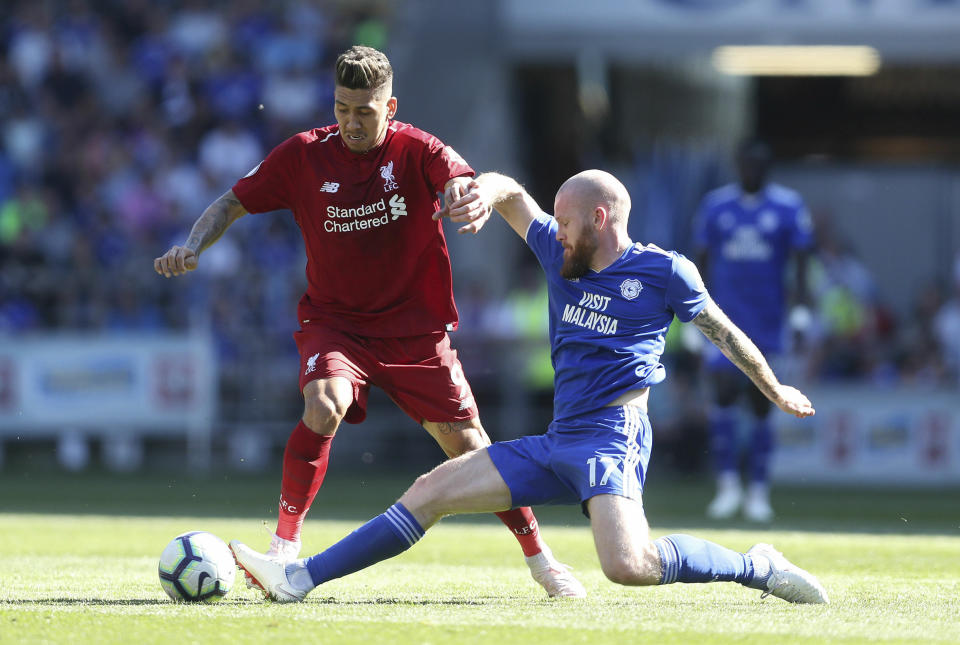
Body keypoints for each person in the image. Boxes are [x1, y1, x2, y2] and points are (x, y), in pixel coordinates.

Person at [230, 169, 828, 605]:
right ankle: (298, 580)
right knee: (430, 490)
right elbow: (512, 192)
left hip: (610, 439)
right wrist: (479, 192)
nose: (554, 234)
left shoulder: (664, 271)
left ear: (600, 219)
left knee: (629, 566)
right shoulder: (556, 251)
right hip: (557, 438)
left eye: (565, 223)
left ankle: (756, 566)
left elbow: (723, 331)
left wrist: (773, 387)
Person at [153, 45, 584, 598]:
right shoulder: (303, 156)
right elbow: (229, 204)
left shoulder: (417, 150)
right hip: (337, 325)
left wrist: (461, 193)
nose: (351, 123)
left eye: (365, 111)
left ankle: (541, 560)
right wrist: (192, 246)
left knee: (472, 451)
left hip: (415, 333)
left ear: (391, 106)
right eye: (341, 109)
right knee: (323, 403)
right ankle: (283, 551)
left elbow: (458, 175)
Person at [693, 140, 814, 522]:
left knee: (764, 401)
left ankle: (758, 491)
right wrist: (696, 317)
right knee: (725, 394)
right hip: (724, 320)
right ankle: (728, 485)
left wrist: (800, 311)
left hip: (769, 320)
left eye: (758, 163)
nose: (751, 169)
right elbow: (701, 262)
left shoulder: (787, 206)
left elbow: (801, 262)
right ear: (738, 164)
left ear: (768, 167)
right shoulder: (716, 206)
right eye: (746, 162)